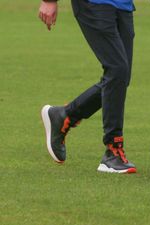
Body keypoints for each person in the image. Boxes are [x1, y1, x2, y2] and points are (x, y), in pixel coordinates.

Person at [38, 0, 137, 174]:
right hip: (93, 4)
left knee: (120, 78)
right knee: (117, 70)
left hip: (123, 5)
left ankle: (64, 116)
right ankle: (112, 152)